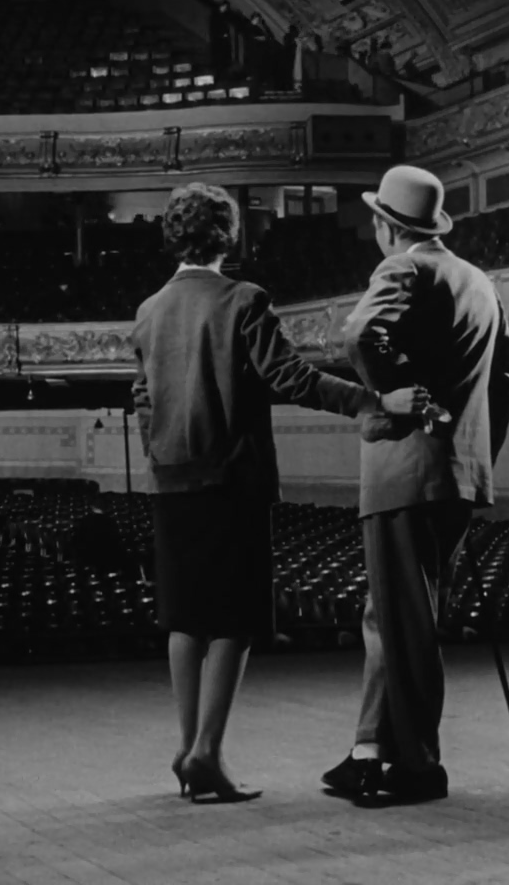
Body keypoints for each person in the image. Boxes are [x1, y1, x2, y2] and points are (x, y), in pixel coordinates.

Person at [132, 182, 428, 805]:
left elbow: (141, 397)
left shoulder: (150, 309)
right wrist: (366, 402)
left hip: (171, 482)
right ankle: (208, 752)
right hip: (232, 482)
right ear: (228, 236)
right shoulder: (243, 298)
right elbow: (288, 377)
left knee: (185, 618)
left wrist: (157, 451)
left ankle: (187, 749)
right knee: (235, 620)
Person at [321, 163, 509, 805]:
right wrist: (470, 457)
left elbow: (358, 334)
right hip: (458, 476)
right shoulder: (480, 283)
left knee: (404, 627)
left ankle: (418, 765)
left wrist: (391, 394)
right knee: (392, 617)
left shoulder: (403, 268)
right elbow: (508, 387)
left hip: (405, 473)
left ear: (385, 225)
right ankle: (369, 749)